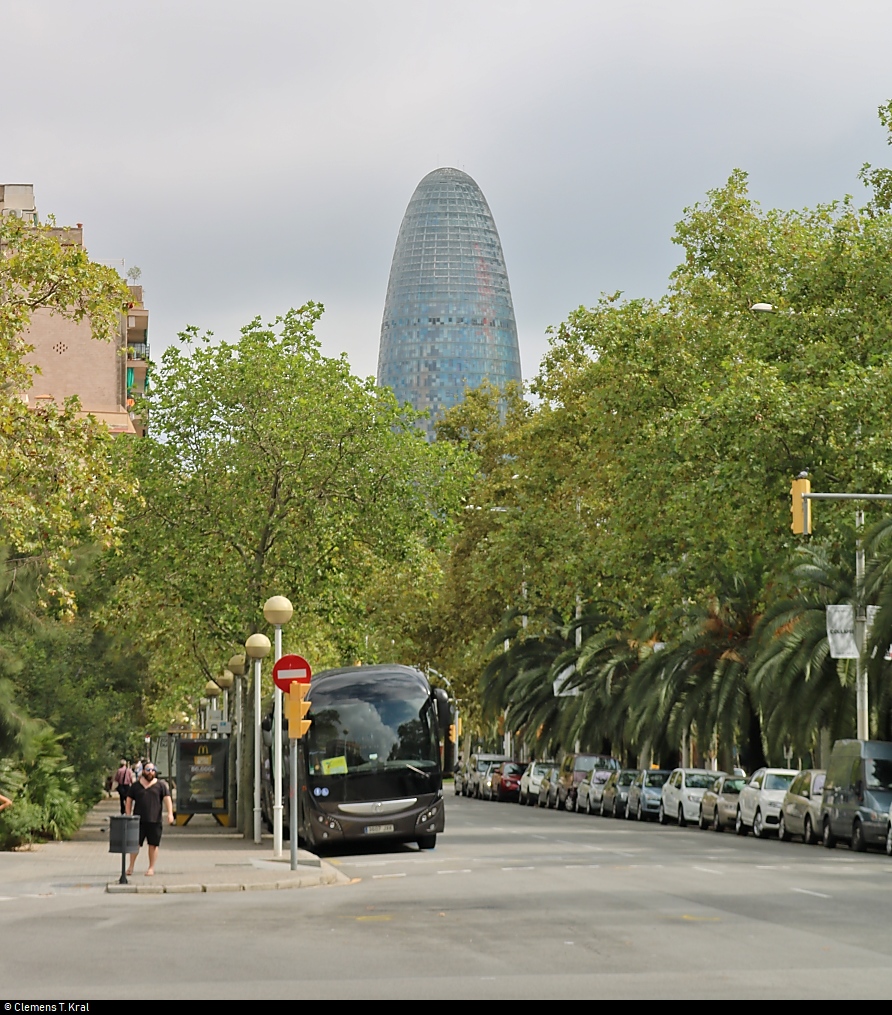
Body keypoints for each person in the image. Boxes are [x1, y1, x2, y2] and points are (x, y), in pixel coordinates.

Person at [125, 763, 174, 876]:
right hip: (138, 820)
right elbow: (128, 800)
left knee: (153, 845)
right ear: (143, 771)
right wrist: (128, 815)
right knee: (135, 845)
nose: (150, 772)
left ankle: (151, 868)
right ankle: (131, 867)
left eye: (153, 770)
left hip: (155, 821)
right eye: (148, 769)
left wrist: (170, 814)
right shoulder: (136, 786)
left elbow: (167, 799)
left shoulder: (161, 785)